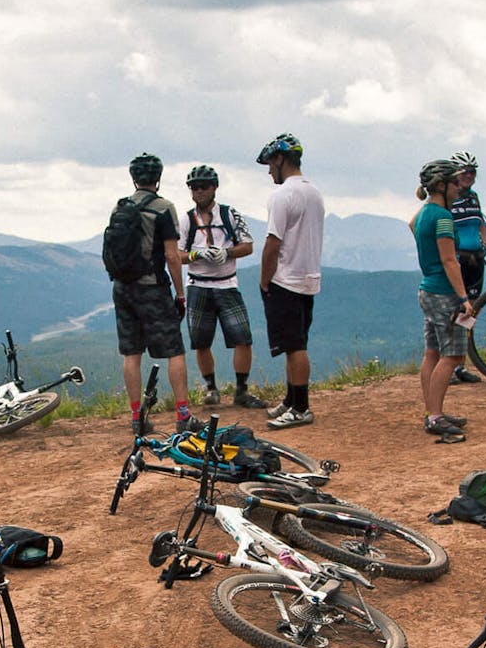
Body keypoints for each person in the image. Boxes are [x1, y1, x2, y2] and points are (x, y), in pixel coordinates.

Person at [105, 152, 198, 434]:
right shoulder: (163, 208)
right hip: (152, 288)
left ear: (133, 178)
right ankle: (183, 416)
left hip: (122, 288)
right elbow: (172, 256)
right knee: (174, 351)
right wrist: (180, 295)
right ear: (158, 177)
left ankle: (137, 418)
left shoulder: (119, 207)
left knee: (131, 354)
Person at [177, 165, 265, 410]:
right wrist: (197, 254)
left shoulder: (229, 215)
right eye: (194, 188)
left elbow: (247, 245)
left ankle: (241, 390)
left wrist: (226, 253)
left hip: (227, 284)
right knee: (201, 341)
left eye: (204, 187)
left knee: (242, 338)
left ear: (214, 187)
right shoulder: (185, 220)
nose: (199, 192)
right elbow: (176, 253)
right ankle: (210, 388)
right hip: (198, 285)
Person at [256, 134, 324, 429]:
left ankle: (301, 408)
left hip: (286, 279)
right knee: (294, 342)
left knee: (294, 346)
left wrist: (264, 280)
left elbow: (273, 243)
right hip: (308, 278)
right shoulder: (314, 193)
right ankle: (290, 398)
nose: (269, 170)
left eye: (271, 163)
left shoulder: (282, 195)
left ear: (280, 159)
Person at [412, 160, 474, 440]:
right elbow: (450, 260)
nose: (460, 187)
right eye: (455, 182)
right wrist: (464, 297)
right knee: (453, 356)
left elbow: (411, 224)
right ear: (441, 185)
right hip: (445, 292)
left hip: (427, 289)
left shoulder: (425, 213)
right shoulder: (444, 218)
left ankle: (432, 411)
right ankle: (436, 417)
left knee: (432, 353)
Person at [448, 150, 486, 385]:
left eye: (472, 172)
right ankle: (449, 364)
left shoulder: (473, 197)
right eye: (465, 172)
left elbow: (480, 221)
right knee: (454, 310)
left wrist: (484, 242)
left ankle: (460, 365)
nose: (469, 176)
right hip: (457, 260)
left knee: (469, 311)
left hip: (475, 259)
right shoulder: (449, 197)